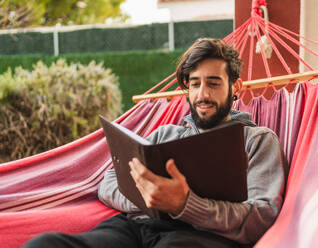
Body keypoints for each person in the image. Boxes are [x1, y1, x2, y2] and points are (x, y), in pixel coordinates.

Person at [24, 38, 289, 248]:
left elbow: (261, 217)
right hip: (134, 229)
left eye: (213, 83)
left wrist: (185, 205)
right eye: (194, 84)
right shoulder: (164, 135)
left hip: (201, 238)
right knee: (45, 244)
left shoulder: (257, 140)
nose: (202, 94)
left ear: (236, 87)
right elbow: (109, 180)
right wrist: (154, 201)